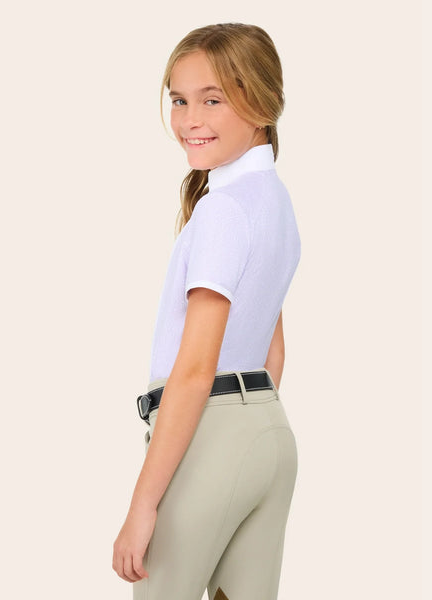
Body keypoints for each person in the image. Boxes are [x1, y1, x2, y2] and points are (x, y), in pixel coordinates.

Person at [112, 22, 301, 600]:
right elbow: (273, 351)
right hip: (270, 433)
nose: (190, 119)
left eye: (212, 100)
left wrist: (143, 506)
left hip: (208, 438)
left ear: (262, 102)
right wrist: (245, 433)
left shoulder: (222, 211)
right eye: (179, 100)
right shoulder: (275, 202)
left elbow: (195, 371)